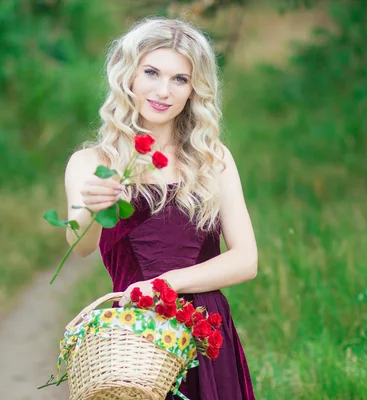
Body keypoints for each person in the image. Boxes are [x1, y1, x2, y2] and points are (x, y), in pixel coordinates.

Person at [63, 17, 258, 400]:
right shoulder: (91, 162)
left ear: (193, 90)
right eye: (151, 72)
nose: (163, 91)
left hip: (206, 335)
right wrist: (91, 206)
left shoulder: (212, 159)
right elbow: (77, 245)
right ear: (128, 76)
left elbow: (246, 260)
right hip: (136, 340)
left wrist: (168, 284)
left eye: (179, 79)